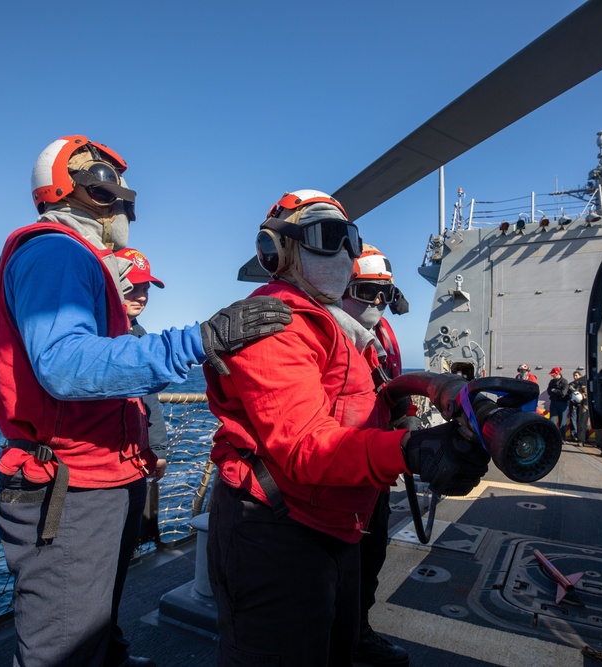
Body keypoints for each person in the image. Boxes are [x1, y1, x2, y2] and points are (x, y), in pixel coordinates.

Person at [0, 135, 292, 667]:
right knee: (61, 645)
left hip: (103, 477)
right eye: (111, 189)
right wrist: (198, 341)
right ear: (75, 190)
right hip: (73, 487)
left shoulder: (80, 260)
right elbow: (63, 366)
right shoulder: (56, 251)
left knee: (95, 620)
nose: (124, 200)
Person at [205, 189, 489, 666]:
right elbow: (304, 446)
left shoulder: (332, 326)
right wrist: (411, 449)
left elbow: (349, 405)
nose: (342, 253)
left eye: (349, 240)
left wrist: (402, 415)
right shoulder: (276, 323)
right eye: (326, 236)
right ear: (278, 250)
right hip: (277, 529)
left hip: (334, 523)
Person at [341, 245, 413, 667]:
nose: (378, 303)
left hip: (376, 469)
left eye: (385, 294)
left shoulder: (382, 335)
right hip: (338, 471)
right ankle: (338, 639)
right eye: (369, 292)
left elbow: (392, 384)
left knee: (371, 558)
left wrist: (405, 418)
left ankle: (358, 632)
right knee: (338, 570)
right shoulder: (326, 334)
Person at [116, 248, 169, 481]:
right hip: (107, 459)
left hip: (135, 458)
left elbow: (149, 399)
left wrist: (158, 449)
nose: (142, 296)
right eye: (134, 287)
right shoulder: (95, 334)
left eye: (145, 289)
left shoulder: (140, 335)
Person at [546, 367, 570, 438]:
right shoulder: (551, 382)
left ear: (558, 373)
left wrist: (554, 390)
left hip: (562, 403)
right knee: (552, 419)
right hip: (553, 402)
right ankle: (553, 436)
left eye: (553, 375)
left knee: (562, 421)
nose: (552, 376)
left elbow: (563, 393)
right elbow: (549, 391)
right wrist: (555, 391)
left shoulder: (564, 382)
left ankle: (562, 438)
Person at [567, 370, 587, 443]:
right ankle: (574, 435)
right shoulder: (572, 384)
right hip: (574, 404)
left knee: (582, 420)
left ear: (580, 376)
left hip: (583, 404)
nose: (575, 377)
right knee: (573, 419)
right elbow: (569, 390)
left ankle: (583, 436)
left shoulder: (584, 383)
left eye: (576, 375)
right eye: (574, 376)